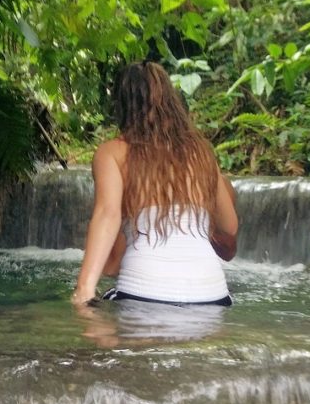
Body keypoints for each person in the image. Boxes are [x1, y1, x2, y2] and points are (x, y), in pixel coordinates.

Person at [71, 61, 239, 307]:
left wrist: (84, 289)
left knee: (105, 309)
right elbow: (230, 226)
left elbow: (107, 214)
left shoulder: (112, 153)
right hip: (213, 298)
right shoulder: (201, 152)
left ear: (122, 105)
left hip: (145, 294)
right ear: (170, 101)